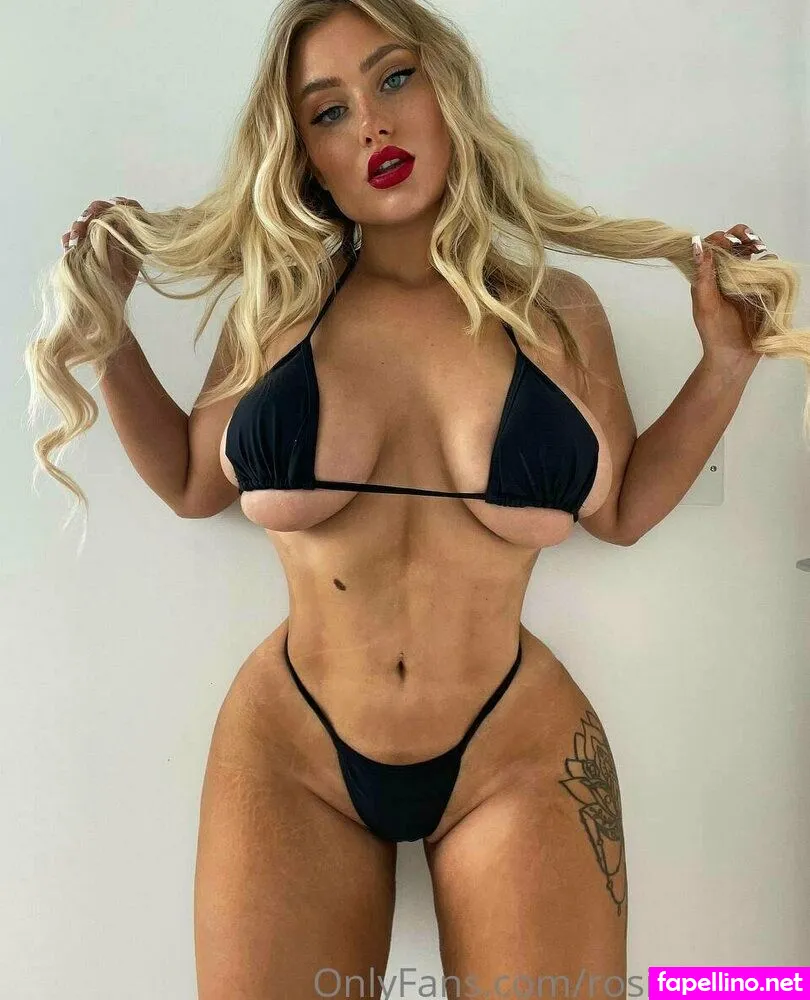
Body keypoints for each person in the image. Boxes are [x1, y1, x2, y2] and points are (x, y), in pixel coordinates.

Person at [31, 1, 801, 997]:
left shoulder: (556, 311)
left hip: (515, 748)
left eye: (394, 78)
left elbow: (619, 512)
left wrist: (726, 363)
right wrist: (106, 328)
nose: (373, 125)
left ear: (448, 90)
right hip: (294, 747)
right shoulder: (276, 307)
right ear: (306, 156)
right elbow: (190, 483)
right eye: (329, 112)